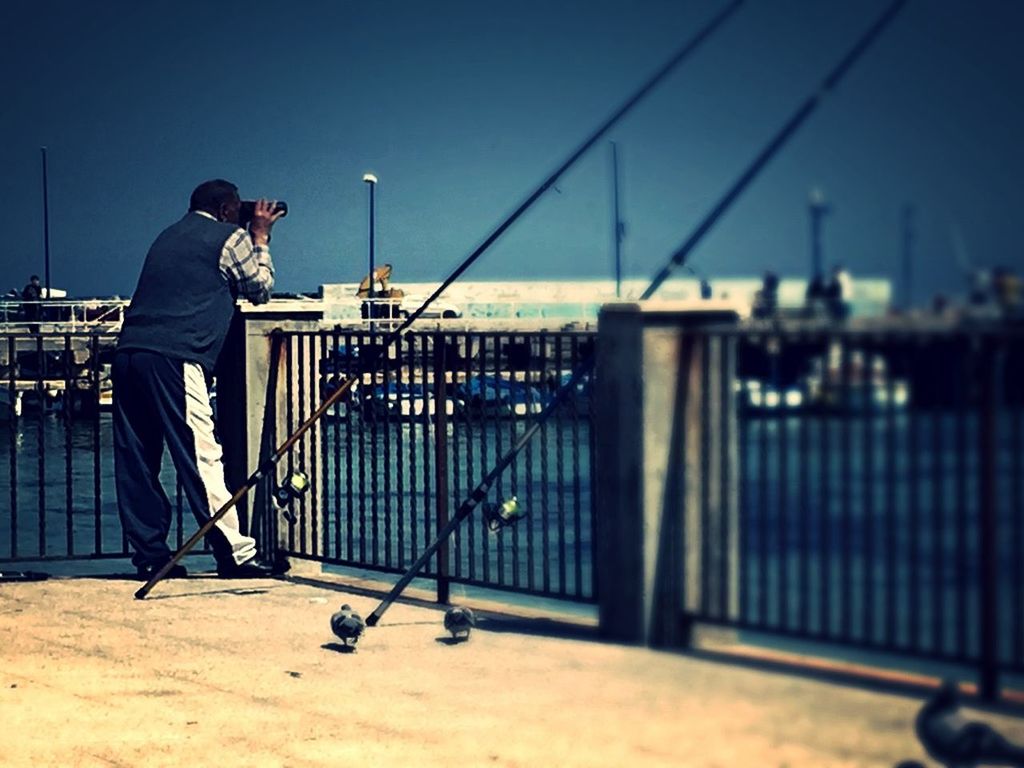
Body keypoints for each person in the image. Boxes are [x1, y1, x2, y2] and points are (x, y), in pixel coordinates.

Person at [114, 179, 285, 580]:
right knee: (200, 453)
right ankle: (235, 553)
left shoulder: (168, 235)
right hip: (177, 354)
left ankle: (152, 555)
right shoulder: (230, 237)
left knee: (137, 459)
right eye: (238, 209)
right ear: (226, 209)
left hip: (129, 352)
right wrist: (259, 236)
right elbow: (259, 289)